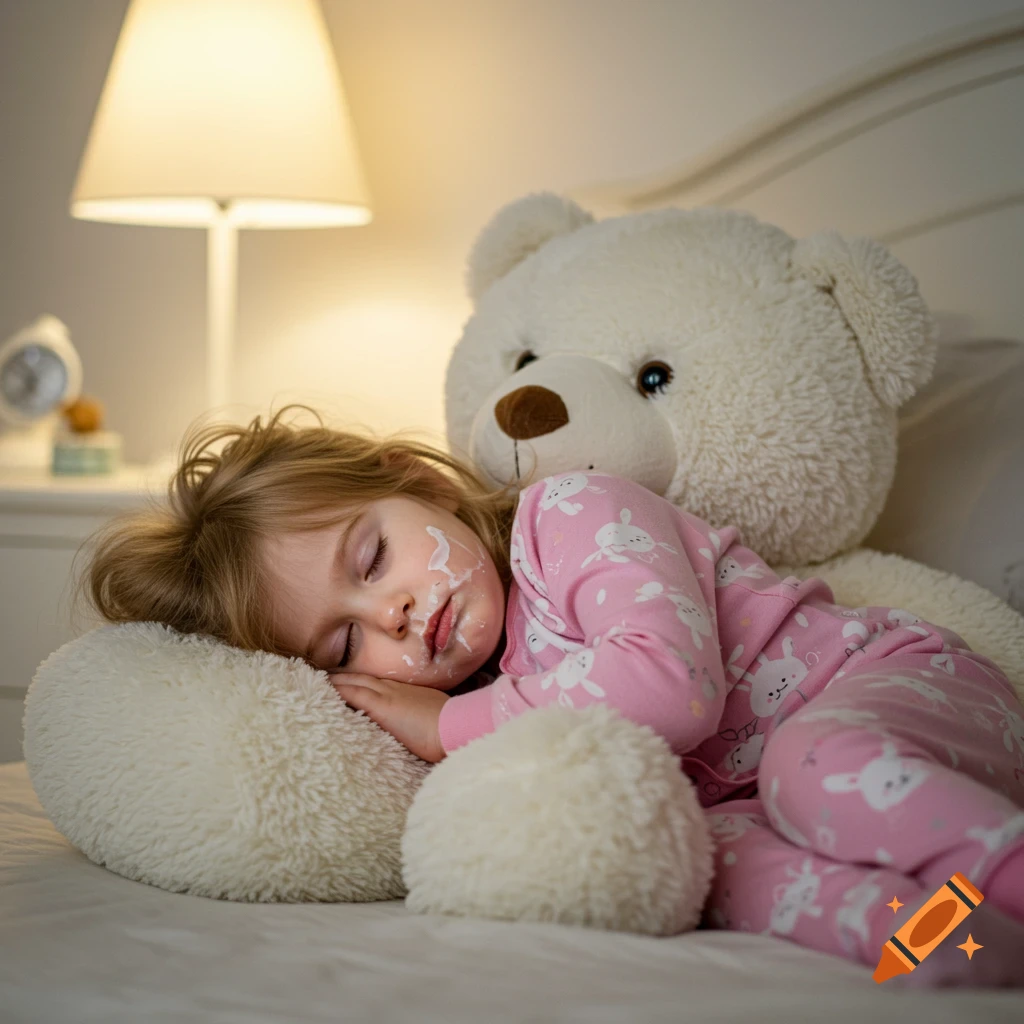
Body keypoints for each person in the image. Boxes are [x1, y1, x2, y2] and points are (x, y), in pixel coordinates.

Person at [81, 404, 1024, 987]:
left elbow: (671, 689)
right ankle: (951, 944)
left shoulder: (572, 516)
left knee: (814, 769)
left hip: (892, 691)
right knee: (715, 864)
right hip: (749, 799)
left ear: (415, 484)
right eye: (348, 639)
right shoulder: (493, 702)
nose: (396, 614)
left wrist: (448, 723)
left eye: (372, 558)